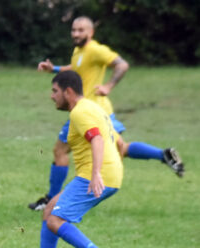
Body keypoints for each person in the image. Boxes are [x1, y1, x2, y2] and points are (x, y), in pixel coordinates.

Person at [28, 16, 184, 211]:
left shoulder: (96, 49)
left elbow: (122, 64)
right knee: (120, 149)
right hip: (101, 110)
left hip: (87, 111)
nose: (76, 34)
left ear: (91, 32)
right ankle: (163, 154)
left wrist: (109, 85)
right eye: (74, 30)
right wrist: (55, 69)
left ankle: (50, 200)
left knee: (60, 151)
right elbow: (76, 68)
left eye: (81, 30)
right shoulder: (79, 51)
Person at [25, 71, 122, 248]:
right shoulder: (93, 107)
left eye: (55, 91)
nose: (52, 96)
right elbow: (116, 140)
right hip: (105, 173)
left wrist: (96, 173)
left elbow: (96, 138)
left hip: (96, 175)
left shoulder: (80, 112)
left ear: (68, 92)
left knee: (55, 220)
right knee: (50, 209)